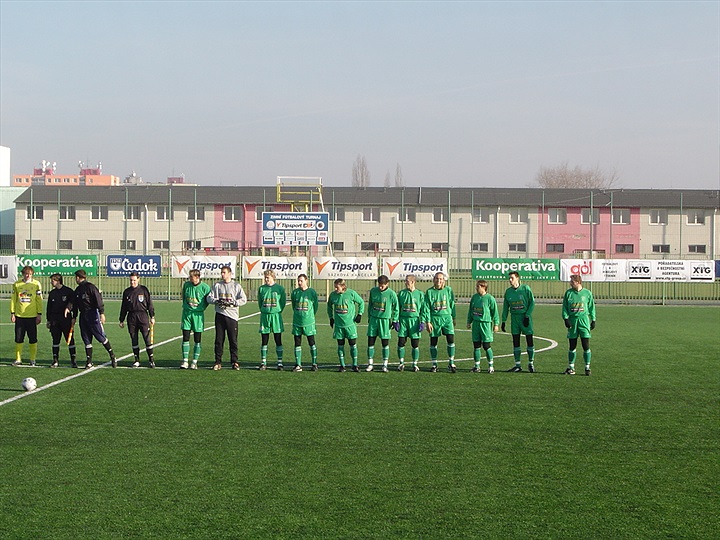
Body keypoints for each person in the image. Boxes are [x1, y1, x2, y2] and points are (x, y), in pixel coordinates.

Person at [66, 269, 116, 369]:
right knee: (86, 339)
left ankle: (112, 356)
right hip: (83, 316)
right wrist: (73, 315)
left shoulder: (90, 287)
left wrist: (101, 313)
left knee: (100, 336)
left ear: (78, 277)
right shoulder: (78, 290)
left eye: (76, 277)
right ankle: (89, 361)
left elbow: (98, 299)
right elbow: (74, 304)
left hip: (92, 314)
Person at [207, 265, 247, 370]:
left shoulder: (236, 286)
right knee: (219, 340)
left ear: (230, 274)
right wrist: (216, 301)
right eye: (222, 272)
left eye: (224, 272)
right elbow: (209, 298)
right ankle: (217, 361)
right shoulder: (217, 285)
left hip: (232, 317)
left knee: (233, 340)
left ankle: (234, 361)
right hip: (220, 315)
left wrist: (233, 302)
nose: (222, 274)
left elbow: (243, 299)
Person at [501, 271, 536, 373]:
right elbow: (505, 307)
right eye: (509, 278)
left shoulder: (525, 289)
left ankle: (531, 363)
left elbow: (532, 302)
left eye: (512, 278)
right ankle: (517, 365)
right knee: (516, 341)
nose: (510, 280)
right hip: (514, 318)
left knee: (529, 340)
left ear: (517, 278)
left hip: (524, 317)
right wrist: (503, 321)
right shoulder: (508, 292)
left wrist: (527, 315)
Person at [327, 278, 364, 372]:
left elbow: (361, 302)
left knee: (353, 345)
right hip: (339, 326)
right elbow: (329, 306)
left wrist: (360, 314)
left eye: (337, 287)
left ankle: (355, 365)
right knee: (340, 345)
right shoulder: (333, 295)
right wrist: (331, 318)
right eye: (334, 287)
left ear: (343, 286)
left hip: (350, 325)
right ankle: (342, 365)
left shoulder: (351, 293)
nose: (335, 289)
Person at [119, 272, 156, 368]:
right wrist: (121, 320)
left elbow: (150, 304)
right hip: (131, 317)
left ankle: (151, 360)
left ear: (138, 279)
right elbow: (123, 307)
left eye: (134, 280)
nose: (132, 282)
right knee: (134, 339)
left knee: (147, 339)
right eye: (131, 280)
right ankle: (137, 360)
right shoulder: (127, 292)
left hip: (143, 316)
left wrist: (152, 316)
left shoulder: (144, 290)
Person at [562, 274, 596, 376]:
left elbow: (591, 307)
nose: (570, 283)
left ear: (578, 282)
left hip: (583, 320)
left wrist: (593, 319)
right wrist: (566, 318)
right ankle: (571, 367)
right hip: (573, 321)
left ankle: (587, 367)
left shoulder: (587, 293)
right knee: (572, 345)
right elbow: (564, 307)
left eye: (572, 281)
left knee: (585, 345)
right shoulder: (568, 293)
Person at [365, 275, 399, 372]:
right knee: (370, 342)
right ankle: (370, 364)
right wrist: (369, 317)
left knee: (385, 343)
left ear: (387, 284)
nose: (380, 287)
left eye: (382, 286)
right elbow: (370, 305)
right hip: (374, 320)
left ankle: (385, 365)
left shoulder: (391, 294)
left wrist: (395, 320)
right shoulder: (373, 291)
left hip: (385, 320)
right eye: (379, 285)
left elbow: (396, 308)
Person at [10, 265, 43, 366]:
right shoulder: (16, 284)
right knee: (19, 338)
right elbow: (13, 299)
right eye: (26, 273)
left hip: (32, 316)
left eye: (30, 274)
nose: (28, 275)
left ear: (32, 274)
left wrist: (39, 314)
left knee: (33, 338)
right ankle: (18, 359)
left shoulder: (36, 284)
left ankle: (32, 359)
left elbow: (39, 300)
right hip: (19, 316)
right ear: (23, 274)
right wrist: (12, 313)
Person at [424, 272, 457, 372]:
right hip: (435, 319)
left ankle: (451, 363)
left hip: (447, 318)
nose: (439, 281)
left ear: (444, 280)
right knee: (434, 341)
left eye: (441, 279)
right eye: (437, 279)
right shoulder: (429, 292)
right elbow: (426, 308)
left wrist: (454, 317)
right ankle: (434, 364)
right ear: (434, 280)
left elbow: (452, 304)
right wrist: (428, 321)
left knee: (450, 339)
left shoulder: (448, 290)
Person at [180, 269, 212, 369]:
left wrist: (200, 308)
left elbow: (208, 300)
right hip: (187, 314)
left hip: (198, 316)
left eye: (191, 277)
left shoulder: (205, 287)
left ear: (197, 277)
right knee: (185, 336)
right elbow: (184, 296)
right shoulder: (186, 285)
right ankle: (185, 361)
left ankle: (194, 361)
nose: (190, 278)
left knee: (197, 339)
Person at [466, 280, 500, 373]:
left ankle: (491, 366)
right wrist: (469, 321)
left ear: (483, 287)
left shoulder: (490, 298)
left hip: (486, 324)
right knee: (476, 345)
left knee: (486, 346)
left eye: (478, 286)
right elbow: (471, 310)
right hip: (476, 324)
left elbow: (495, 312)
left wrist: (496, 324)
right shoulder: (474, 297)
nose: (476, 288)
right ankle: (477, 366)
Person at [396, 274, 427, 372]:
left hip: (414, 321)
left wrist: (422, 321)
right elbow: (397, 308)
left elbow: (423, 309)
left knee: (415, 344)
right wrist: (396, 320)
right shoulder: (401, 294)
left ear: (413, 282)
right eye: (405, 281)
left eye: (407, 281)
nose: (405, 283)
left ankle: (415, 364)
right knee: (401, 342)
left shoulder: (420, 294)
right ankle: (401, 363)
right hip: (403, 320)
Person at [257, 269, 287, 371]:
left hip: (275, 316)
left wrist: (276, 310)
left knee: (278, 339)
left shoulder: (279, 289)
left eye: (268, 277)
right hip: (265, 316)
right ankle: (263, 362)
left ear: (273, 277)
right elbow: (260, 302)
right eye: (265, 277)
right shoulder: (261, 289)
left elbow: (282, 302)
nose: (266, 279)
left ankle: (279, 362)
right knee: (264, 340)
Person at [46, 273, 78, 368]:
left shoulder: (68, 291)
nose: (51, 282)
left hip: (66, 320)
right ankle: (55, 360)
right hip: (54, 320)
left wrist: (74, 317)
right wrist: (48, 320)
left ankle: (73, 361)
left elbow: (74, 305)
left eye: (53, 280)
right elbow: (49, 308)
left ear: (58, 281)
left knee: (70, 340)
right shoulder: (52, 293)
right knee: (55, 340)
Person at [290, 274, 319, 371]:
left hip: (308, 322)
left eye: (301, 281)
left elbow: (315, 306)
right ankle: (298, 365)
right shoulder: (295, 292)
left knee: (311, 342)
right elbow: (294, 305)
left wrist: (309, 315)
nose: (299, 283)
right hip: (297, 321)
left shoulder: (312, 292)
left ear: (306, 281)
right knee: (297, 343)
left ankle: (314, 363)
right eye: (298, 281)